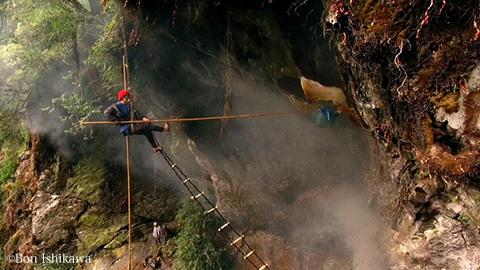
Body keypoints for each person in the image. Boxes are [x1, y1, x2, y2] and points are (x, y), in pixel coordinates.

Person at [104, 90, 170, 152]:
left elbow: (137, 114)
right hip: (126, 128)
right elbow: (107, 113)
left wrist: (143, 118)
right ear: (123, 97)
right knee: (146, 127)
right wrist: (116, 120)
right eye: (127, 97)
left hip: (133, 125)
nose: (129, 98)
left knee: (147, 131)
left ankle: (155, 147)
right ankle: (164, 129)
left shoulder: (129, 106)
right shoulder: (116, 106)